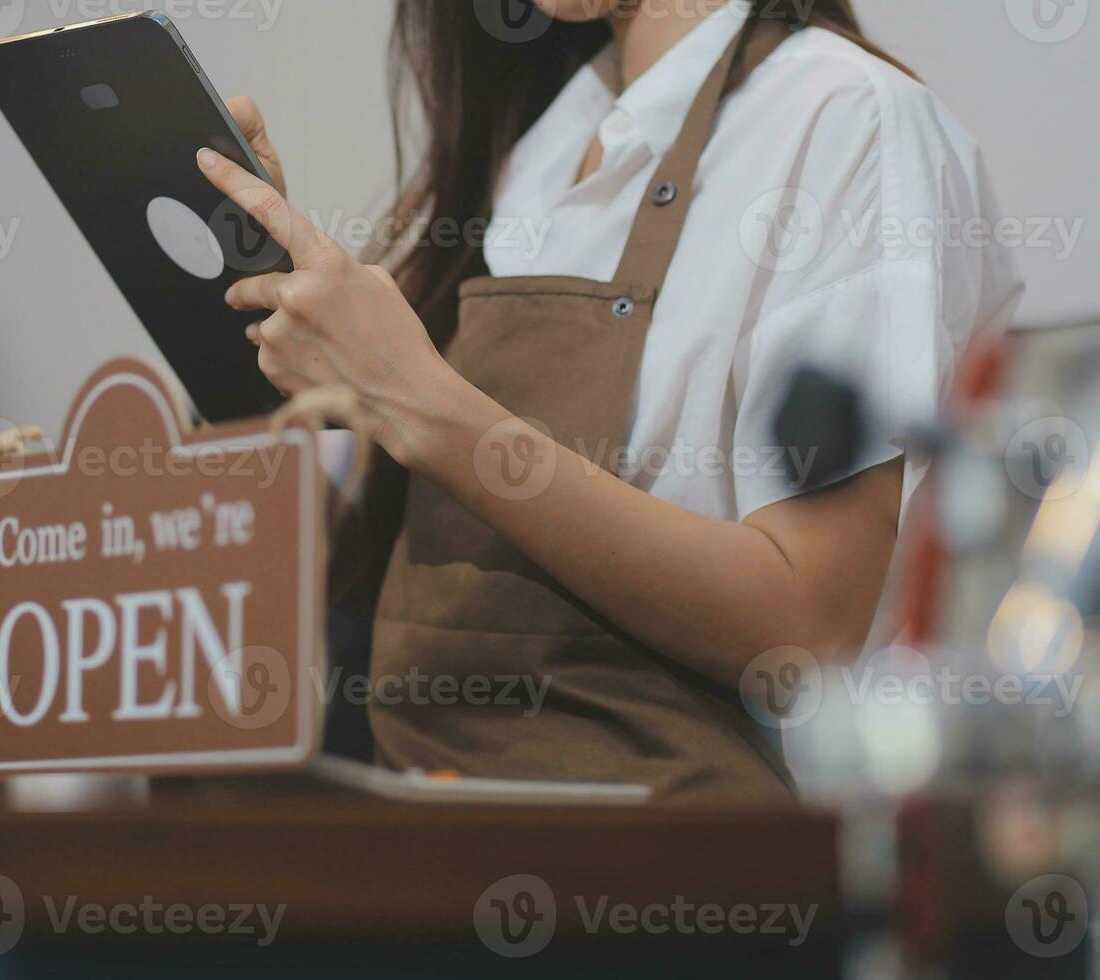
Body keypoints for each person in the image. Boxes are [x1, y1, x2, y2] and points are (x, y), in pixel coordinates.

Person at [196, 0, 1023, 801]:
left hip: (685, 882)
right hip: (439, 827)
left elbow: (807, 629)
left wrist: (417, 397)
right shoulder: (542, 149)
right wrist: (286, 313)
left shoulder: (847, 123)